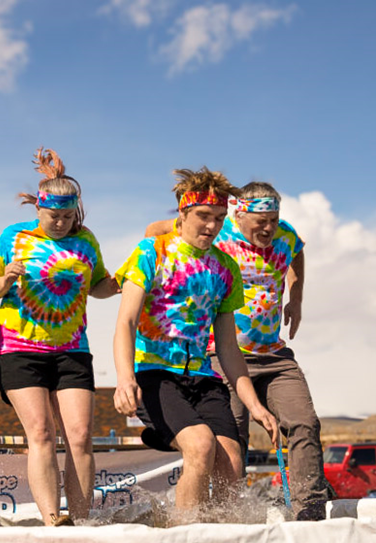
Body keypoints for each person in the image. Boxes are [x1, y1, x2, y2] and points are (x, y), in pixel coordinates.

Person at [145, 181, 327, 521]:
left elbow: (297, 251)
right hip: (224, 356)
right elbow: (154, 230)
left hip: (274, 355)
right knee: (232, 438)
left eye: (273, 220)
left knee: (305, 423)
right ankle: (224, 515)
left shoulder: (286, 235)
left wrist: (296, 295)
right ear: (239, 215)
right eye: (261, 221)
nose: (269, 229)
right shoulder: (218, 230)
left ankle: (310, 510)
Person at [113, 167, 278, 519]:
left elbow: (228, 348)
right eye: (204, 216)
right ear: (183, 213)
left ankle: (223, 534)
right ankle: (184, 534)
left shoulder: (225, 268)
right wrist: (125, 379)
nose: (212, 226)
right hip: (155, 374)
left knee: (232, 461)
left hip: (203, 377)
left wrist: (255, 405)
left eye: (219, 218)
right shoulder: (151, 252)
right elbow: (126, 322)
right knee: (201, 446)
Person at [0, 147, 119, 526]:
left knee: (80, 436)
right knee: (41, 433)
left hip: (72, 350)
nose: (60, 223)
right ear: (39, 210)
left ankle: (80, 520)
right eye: (53, 216)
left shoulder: (86, 240)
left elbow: (98, 286)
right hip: (19, 350)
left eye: (67, 217)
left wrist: (120, 282)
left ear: (76, 213)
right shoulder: (14, 236)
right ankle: (52, 518)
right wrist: (5, 279)